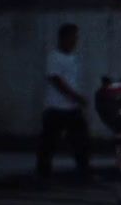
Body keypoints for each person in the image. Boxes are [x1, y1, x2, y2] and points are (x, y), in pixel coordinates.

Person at [36, 23, 92, 180]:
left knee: (81, 141)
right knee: (49, 143)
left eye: (76, 37)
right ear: (64, 38)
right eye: (73, 37)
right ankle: (43, 173)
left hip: (71, 108)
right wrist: (75, 96)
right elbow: (56, 80)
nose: (75, 41)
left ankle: (84, 171)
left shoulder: (74, 58)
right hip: (55, 107)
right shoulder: (54, 57)